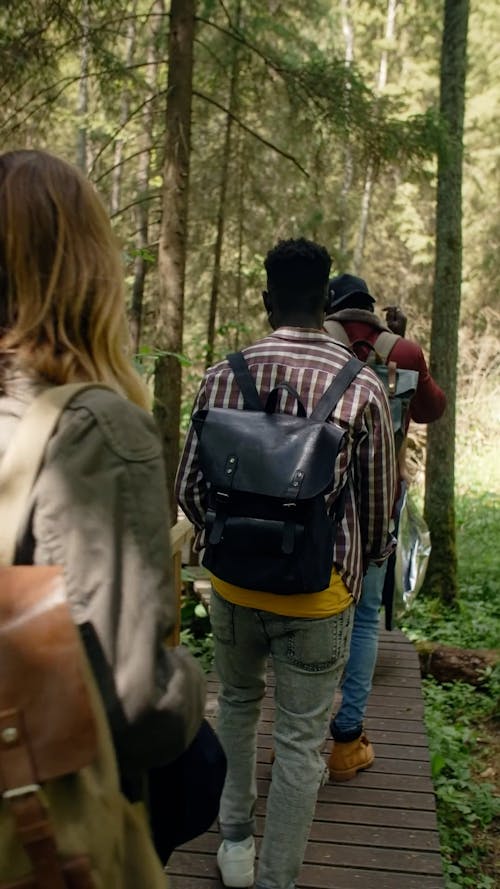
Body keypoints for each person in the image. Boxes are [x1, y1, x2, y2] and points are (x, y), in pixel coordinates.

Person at [176, 239, 396, 889]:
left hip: (236, 584)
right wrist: (362, 565)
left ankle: (235, 847)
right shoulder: (363, 386)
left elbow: (189, 490)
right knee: (301, 742)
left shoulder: (223, 375)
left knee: (238, 707)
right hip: (319, 593)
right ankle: (276, 879)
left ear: (267, 300)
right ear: (326, 302)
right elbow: (378, 508)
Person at [0, 150, 206, 840]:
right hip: (38, 829)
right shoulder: (93, 431)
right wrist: (191, 685)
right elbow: (129, 706)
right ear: (87, 272)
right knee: (204, 765)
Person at [324, 272, 446, 780]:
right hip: (381, 492)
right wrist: (405, 344)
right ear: (373, 309)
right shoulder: (404, 350)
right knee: (368, 613)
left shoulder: (317, 340)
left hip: (318, 494)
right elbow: (432, 408)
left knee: (315, 603)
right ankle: (347, 738)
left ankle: (301, 731)